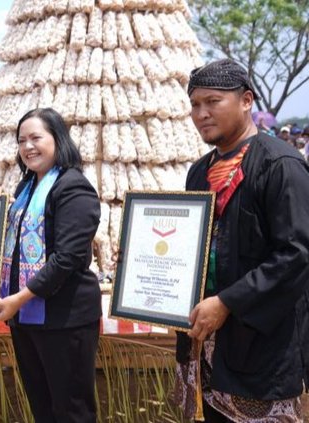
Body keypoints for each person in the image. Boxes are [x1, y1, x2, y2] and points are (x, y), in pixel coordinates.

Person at [175, 58, 309, 423]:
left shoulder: (280, 166)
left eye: (213, 101)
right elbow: (192, 246)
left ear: (246, 100)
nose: (201, 113)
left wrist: (228, 302)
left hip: (262, 348)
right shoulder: (199, 172)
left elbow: (296, 255)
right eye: (194, 104)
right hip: (207, 346)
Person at [0, 108, 101, 423]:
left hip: (64, 319)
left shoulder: (73, 187)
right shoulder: (26, 189)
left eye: (36, 138)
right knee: (42, 406)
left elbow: (66, 258)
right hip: (27, 320)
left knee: (71, 410)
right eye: (21, 140)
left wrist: (20, 297)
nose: (28, 147)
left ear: (58, 139)